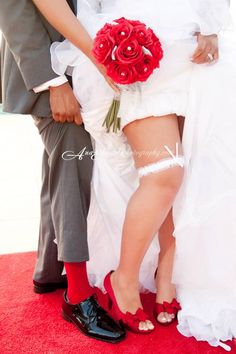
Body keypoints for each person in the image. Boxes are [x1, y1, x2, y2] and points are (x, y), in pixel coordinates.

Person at [32, 0, 236, 348]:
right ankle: (123, 278)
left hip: (190, 47)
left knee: (185, 170)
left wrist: (213, 26)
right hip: (134, 46)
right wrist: (103, 51)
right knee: (164, 172)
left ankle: (167, 277)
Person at [0, 0, 126, 343]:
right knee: (73, 170)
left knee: (60, 165)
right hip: (53, 76)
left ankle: (50, 270)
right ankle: (79, 296)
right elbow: (14, 12)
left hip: (86, 71)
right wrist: (53, 83)